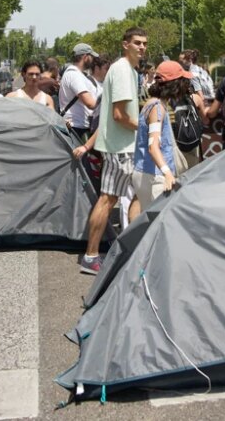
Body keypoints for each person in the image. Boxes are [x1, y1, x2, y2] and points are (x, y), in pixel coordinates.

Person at [73, 27, 147, 275]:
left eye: (144, 43)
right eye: (137, 42)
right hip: (121, 148)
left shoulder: (123, 70)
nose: (142, 47)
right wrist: (145, 125)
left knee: (135, 196)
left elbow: (111, 115)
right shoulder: (124, 70)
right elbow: (118, 116)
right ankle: (92, 256)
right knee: (109, 199)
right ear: (125, 44)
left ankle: (130, 249)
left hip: (119, 146)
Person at [131, 61, 190, 212]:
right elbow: (153, 146)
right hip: (155, 177)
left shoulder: (151, 104)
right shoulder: (157, 107)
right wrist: (168, 173)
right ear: (175, 84)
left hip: (144, 172)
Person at [59, 44, 99, 140]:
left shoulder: (77, 74)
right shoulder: (74, 75)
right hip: (76, 128)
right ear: (85, 57)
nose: (93, 60)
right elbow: (90, 103)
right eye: (91, 57)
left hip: (79, 126)